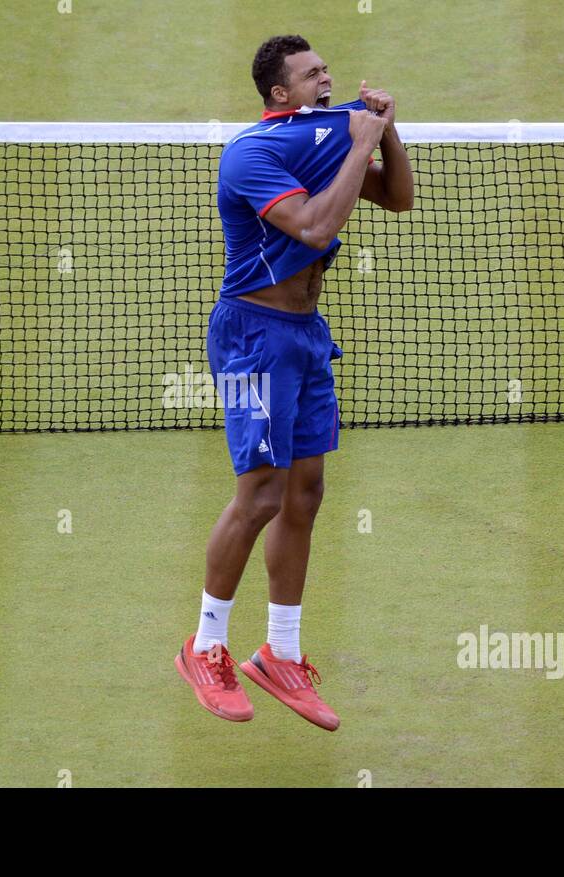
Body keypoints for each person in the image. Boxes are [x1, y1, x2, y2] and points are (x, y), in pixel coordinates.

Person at [175, 34, 414, 730]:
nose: (326, 80)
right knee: (261, 493)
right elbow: (314, 226)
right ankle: (206, 644)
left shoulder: (324, 141)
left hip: (306, 338)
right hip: (253, 338)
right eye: (311, 75)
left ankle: (280, 654)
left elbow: (397, 198)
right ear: (279, 93)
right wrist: (353, 146)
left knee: (305, 492)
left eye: (326, 71)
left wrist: (386, 136)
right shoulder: (254, 154)